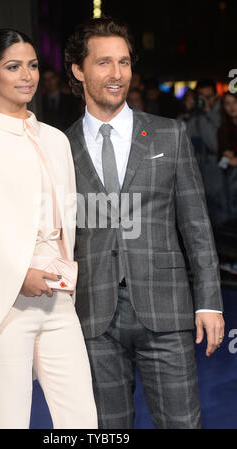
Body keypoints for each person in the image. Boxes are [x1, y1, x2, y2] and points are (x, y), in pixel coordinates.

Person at [64, 17, 224, 429]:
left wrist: (208, 301)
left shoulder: (169, 135)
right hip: (92, 315)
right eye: (103, 63)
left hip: (166, 310)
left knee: (182, 423)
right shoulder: (60, 147)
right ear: (79, 71)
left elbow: (196, 227)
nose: (117, 74)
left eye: (124, 62)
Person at [0, 28, 97, 429]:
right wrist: (17, 276)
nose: (26, 75)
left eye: (32, 65)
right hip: (7, 306)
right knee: (9, 419)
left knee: (82, 420)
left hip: (60, 301)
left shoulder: (56, 139)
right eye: (13, 66)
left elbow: (66, 225)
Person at [186, 79, 226, 227]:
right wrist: (190, 112)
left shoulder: (223, 112)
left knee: (218, 204)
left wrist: (207, 113)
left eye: (208, 96)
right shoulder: (196, 113)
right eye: (201, 97)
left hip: (216, 164)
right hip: (199, 163)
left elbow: (215, 144)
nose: (204, 100)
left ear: (216, 96)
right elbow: (187, 137)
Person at [217, 91, 237, 275]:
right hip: (230, 177)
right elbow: (222, 153)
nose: (231, 107)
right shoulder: (224, 127)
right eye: (227, 103)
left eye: (234, 102)